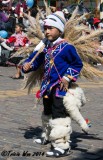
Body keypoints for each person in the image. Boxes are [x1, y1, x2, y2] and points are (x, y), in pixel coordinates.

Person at [22, 11, 83, 157]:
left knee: (59, 115)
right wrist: (28, 65)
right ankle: (47, 136)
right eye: (45, 28)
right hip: (47, 87)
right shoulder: (45, 47)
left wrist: (67, 78)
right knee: (47, 112)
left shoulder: (67, 47)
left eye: (51, 28)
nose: (47, 31)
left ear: (60, 30)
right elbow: (36, 60)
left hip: (60, 88)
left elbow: (77, 64)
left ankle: (62, 145)